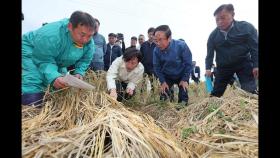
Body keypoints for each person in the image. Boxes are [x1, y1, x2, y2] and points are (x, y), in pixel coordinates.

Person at [22, 11, 96, 106]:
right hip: (33, 49)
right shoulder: (51, 35)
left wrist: (79, 72)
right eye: (82, 35)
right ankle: (31, 104)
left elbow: (85, 59)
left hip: (57, 57)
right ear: (70, 27)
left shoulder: (89, 42)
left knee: (61, 84)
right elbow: (44, 60)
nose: (85, 40)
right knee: (35, 77)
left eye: (90, 36)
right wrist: (54, 76)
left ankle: (50, 102)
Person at [205, 4, 258, 97]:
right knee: (215, 94)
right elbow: (209, 54)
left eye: (223, 18)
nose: (220, 22)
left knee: (250, 91)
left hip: (243, 63)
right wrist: (208, 68)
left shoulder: (246, 28)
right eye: (217, 20)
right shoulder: (213, 36)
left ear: (232, 15)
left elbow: (255, 47)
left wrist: (256, 65)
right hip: (223, 66)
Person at [153, 25, 192, 105]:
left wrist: (185, 79)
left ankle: (182, 110)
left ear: (169, 38)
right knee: (163, 99)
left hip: (181, 75)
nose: (158, 43)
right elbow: (157, 67)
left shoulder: (181, 46)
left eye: (160, 40)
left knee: (183, 97)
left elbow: (188, 64)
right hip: (167, 76)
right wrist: (163, 81)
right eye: (156, 40)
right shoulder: (156, 50)